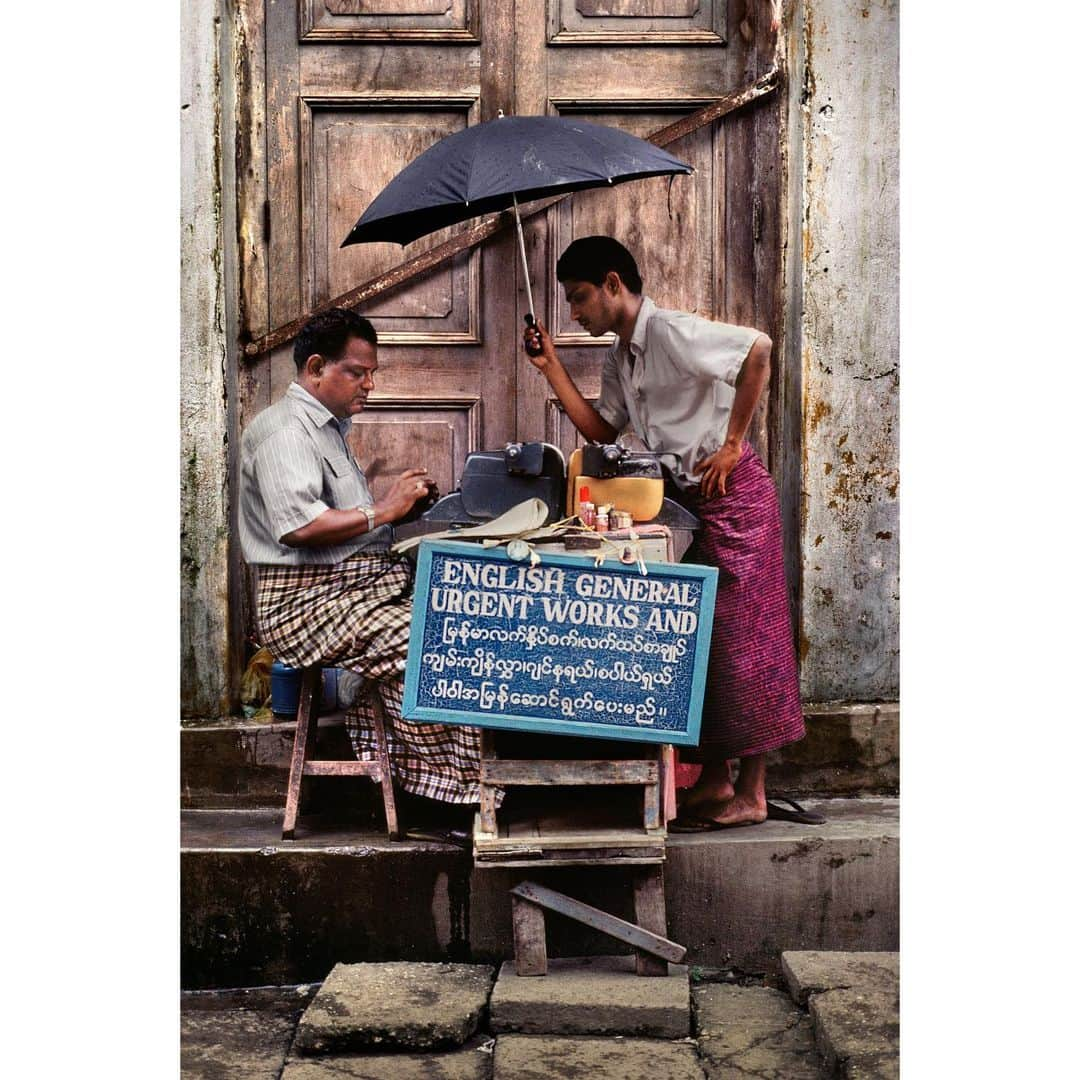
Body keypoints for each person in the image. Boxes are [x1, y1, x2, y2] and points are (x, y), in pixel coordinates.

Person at [523, 236, 805, 828]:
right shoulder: (621, 356)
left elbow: (759, 349)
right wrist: (551, 366)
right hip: (688, 500)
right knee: (705, 644)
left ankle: (753, 794)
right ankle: (716, 783)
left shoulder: (671, 332)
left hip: (734, 495)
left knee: (749, 645)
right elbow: (603, 430)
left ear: (613, 284)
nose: (575, 313)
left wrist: (733, 443)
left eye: (579, 299)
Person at [239, 307, 485, 813]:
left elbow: (344, 520)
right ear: (314, 368)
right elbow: (301, 527)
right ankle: (460, 793)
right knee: (430, 644)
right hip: (305, 605)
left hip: (352, 590)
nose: (368, 384)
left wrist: (399, 510)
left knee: (461, 619)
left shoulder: (327, 429)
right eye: (356, 371)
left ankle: (439, 781)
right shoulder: (285, 432)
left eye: (372, 372)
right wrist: (383, 508)